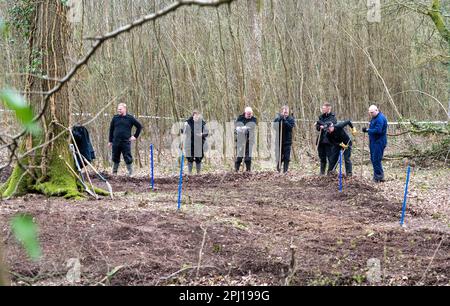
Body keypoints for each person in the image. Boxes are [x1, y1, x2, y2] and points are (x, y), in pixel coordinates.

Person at [108, 103, 142, 176]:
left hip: (125, 142)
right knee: (115, 157)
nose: (118, 110)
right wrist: (110, 141)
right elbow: (111, 130)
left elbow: (139, 126)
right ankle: (114, 173)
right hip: (115, 142)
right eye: (118, 109)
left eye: (120, 109)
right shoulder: (115, 118)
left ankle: (130, 173)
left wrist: (135, 136)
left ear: (124, 109)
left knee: (127, 157)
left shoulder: (130, 118)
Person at [362, 105, 388, 182]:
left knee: (376, 159)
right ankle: (378, 175)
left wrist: (367, 130)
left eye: (372, 112)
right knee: (373, 159)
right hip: (373, 141)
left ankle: (379, 177)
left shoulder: (380, 119)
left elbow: (378, 130)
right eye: (370, 112)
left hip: (379, 142)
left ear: (377, 110)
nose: (371, 114)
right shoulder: (374, 118)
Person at [315, 103, 337, 175]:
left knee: (330, 158)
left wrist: (322, 125)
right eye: (322, 108)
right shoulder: (321, 116)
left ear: (328, 109)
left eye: (324, 109)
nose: (323, 110)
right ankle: (322, 172)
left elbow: (330, 124)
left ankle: (330, 173)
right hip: (321, 140)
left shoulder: (333, 117)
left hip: (329, 141)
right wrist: (319, 126)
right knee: (322, 157)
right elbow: (318, 128)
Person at [273, 105, 296, 173]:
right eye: (284, 112)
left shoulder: (291, 119)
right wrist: (280, 119)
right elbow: (274, 127)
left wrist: (284, 120)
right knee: (279, 156)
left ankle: (285, 171)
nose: (285, 113)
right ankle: (278, 169)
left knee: (286, 157)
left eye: (287, 112)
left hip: (287, 141)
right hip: (279, 141)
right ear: (282, 112)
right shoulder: (277, 118)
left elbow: (290, 128)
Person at [235, 107, 257, 172]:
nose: (249, 115)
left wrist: (244, 128)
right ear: (245, 113)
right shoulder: (240, 118)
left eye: (250, 114)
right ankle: (236, 170)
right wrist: (239, 128)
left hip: (250, 140)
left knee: (248, 158)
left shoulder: (254, 119)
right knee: (239, 157)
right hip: (240, 140)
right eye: (248, 114)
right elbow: (237, 126)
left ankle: (248, 170)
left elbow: (252, 125)